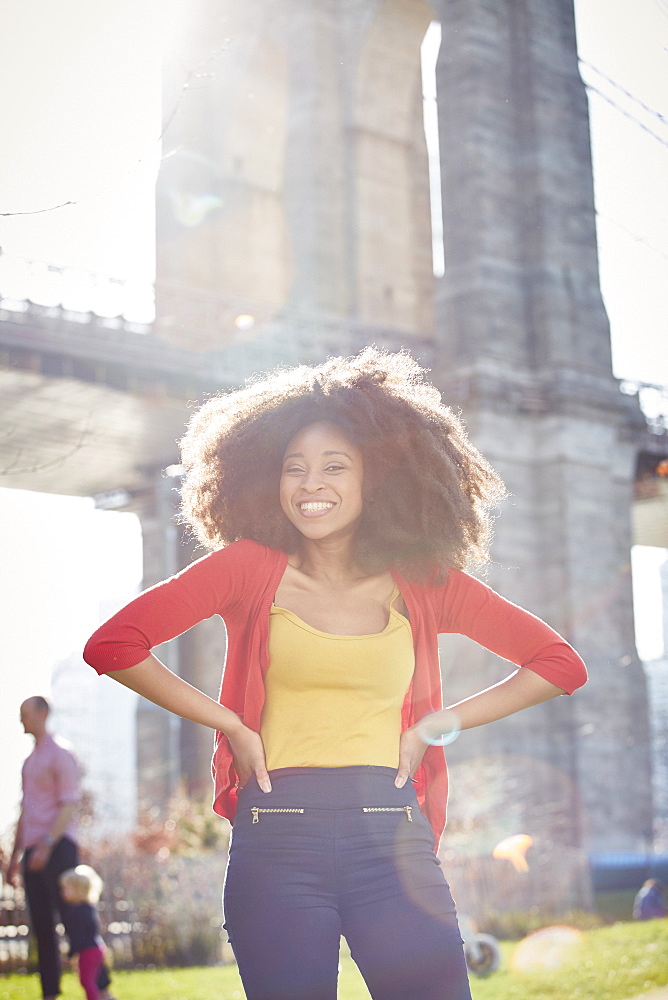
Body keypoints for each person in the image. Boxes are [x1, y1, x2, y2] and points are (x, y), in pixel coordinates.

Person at [83, 348, 587, 1000]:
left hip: (393, 841)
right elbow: (115, 645)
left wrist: (441, 722)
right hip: (278, 842)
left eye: (333, 467)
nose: (309, 484)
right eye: (293, 469)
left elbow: (558, 664)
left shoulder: (426, 584)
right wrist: (228, 722)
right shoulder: (247, 568)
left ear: (376, 479)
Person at [5, 697, 115, 1000]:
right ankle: (50, 994)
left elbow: (68, 803)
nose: (21, 720)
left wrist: (48, 845)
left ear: (43, 714)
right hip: (31, 851)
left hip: (58, 847)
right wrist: (15, 859)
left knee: (76, 920)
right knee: (41, 929)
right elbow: (25, 813)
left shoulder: (62, 754)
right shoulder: (29, 762)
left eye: (24, 714)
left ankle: (102, 990)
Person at [59, 866, 107, 1000]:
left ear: (78, 890)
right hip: (94, 948)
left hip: (89, 950)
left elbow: (78, 936)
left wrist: (70, 953)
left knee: (87, 981)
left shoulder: (77, 912)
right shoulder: (87, 908)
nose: (63, 892)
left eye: (66, 888)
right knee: (88, 980)